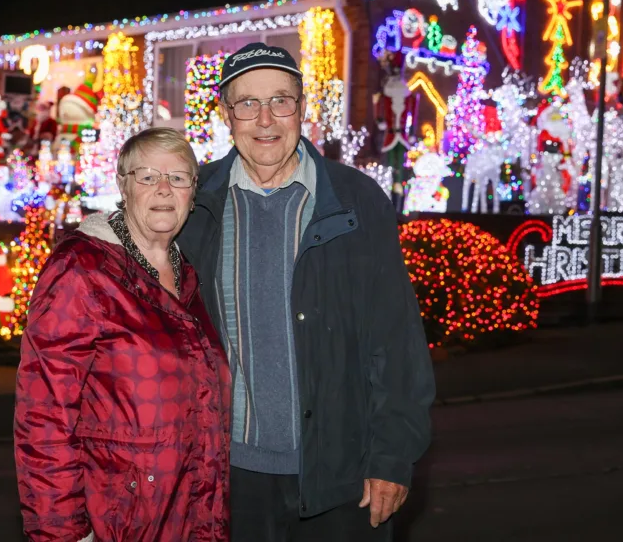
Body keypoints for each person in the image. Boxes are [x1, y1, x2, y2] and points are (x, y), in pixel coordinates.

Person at [177, 42, 436, 541]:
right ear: (226, 115)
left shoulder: (356, 200)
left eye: (281, 100)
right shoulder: (196, 203)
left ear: (302, 106)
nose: (266, 119)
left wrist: (392, 456)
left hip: (342, 473)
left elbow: (397, 340)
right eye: (247, 103)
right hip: (228, 477)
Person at [15, 128, 231, 542]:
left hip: (195, 517)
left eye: (179, 177)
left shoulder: (189, 275)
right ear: (122, 185)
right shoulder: (82, 268)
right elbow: (43, 417)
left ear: (193, 192)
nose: (164, 189)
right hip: (117, 523)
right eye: (148, 176)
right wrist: (63, 533)